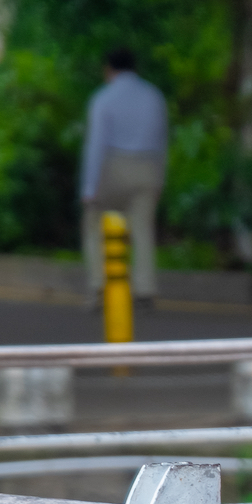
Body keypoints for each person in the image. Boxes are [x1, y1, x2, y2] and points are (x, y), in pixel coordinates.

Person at [80, 47, 168, 309]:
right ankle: (144, 289)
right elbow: (162, 140)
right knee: (142, 228)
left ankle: (99, 286)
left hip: (113, 165)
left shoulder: (103, 98)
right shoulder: (153, 96)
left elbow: (96, 144)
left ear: (108, 69)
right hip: (148, 166)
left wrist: (89, 187)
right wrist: (160, 177)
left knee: (94, 224)